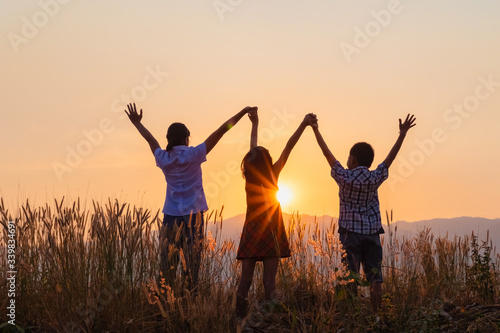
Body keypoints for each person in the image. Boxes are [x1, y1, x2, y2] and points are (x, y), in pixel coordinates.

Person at [125, 102, 257, 291]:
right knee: (192, 265)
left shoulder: (164, 158)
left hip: (170, 216)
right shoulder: (194, 154)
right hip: (193, 217)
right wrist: (243, 113)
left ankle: (167, 304)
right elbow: (221, 131)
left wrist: (137, 123)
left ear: (169, 139)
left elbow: (150, 140)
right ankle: (190, 300)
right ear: (187, 138)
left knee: (167, 266)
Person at [311, 114, 416, 312]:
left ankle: (351, 315)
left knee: (350, 276)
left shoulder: (344, 176)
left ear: (353, 159)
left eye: (349, 157)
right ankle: (377, 315)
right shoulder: (375, 177)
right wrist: (402, 134)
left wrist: (315, 129)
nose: (346, 159)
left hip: (350, 234)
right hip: (372, 233)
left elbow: (327, 154)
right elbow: (389, 160)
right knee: (376, 277)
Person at [235, 109, 317, 318]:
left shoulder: (250, 178)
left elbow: (253, 148)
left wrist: (255, 124)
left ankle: (239, 318)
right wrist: (303, 124)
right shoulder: (273, 173)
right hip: (271, 231)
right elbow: (289, 146)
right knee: (269, 281)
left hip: (253, 231)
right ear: (267, 160)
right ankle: (270, 320)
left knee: (245, 281)